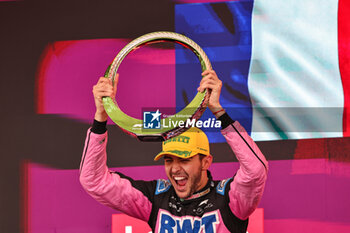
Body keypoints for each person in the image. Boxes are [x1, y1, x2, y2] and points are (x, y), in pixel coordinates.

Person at [79, 70, 268, 233]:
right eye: (169, 160)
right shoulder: (155, 197)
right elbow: (93, 181)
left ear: (206, 162)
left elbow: (256, 170)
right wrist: (100, 118)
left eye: (183, 159)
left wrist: (219, 112)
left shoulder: (229, 199)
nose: (175, 169)